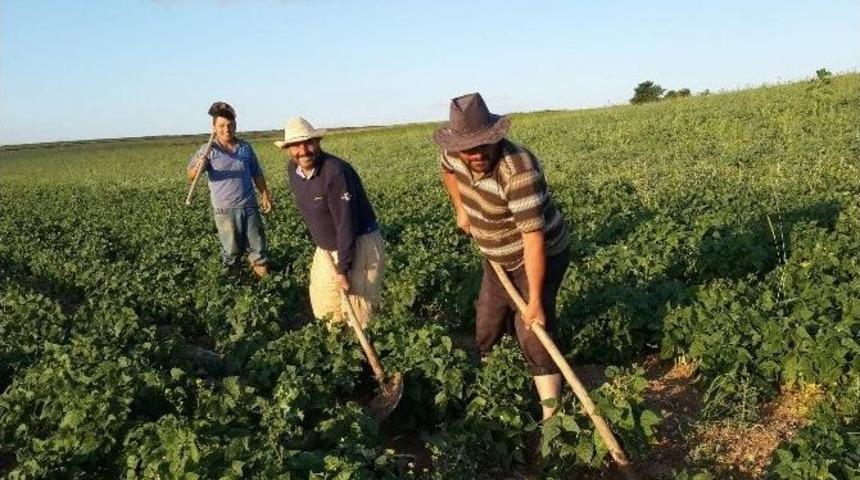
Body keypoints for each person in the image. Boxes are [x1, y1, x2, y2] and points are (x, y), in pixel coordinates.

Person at [434, 93, 571, 419]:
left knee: (533, 330)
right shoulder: (454, 155)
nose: (476, 153)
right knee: (488, 320)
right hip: (494, 252)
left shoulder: (517, 169)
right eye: (468, 147)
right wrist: (462, 209)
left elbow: (533, 238)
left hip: (538, 254)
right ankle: (496, 384)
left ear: (496, 135)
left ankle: (550, 413)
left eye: (483, 144)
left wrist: (534, 301)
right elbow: (447, 171)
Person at [275, 117, 385, 328]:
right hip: (326, 249)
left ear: (318, 143)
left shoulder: (335, 171)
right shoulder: (293, 170)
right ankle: (337, 353)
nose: (303, 150)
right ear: (288, 149)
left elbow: (346, 223)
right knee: (325, 305)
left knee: (358, 311)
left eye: (309, 143)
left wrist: (343, 270)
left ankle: (363, 356)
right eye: (296, 145)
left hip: (359, 243)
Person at [186, 101, 273, 278]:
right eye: (222, 126)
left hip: (249, 206)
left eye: (230, 125)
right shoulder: (208, 150)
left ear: (235, 126)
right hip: (224, 210)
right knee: (231, 250)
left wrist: (265, 194)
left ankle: (263, 285)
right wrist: (199, 166)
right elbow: (191, 176)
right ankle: (235, 285)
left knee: (258, 247)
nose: (227, 129)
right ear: (214, 127)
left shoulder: (245, 148)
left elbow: (257, 173)